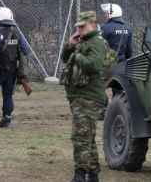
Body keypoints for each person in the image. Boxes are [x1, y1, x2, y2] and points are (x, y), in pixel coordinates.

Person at [61, 11, 107, 182]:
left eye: (82, 26)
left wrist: (79, 56)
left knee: (80, 136)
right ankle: (93, 174)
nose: (79, 30)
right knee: (88, 136)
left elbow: (94, 65)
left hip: (88, 96)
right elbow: (66, 59)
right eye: (78, 27)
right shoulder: (83, 42)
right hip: (79, 96)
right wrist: (70, 45)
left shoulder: (96, 43)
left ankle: (80, 174)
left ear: (93, 25)